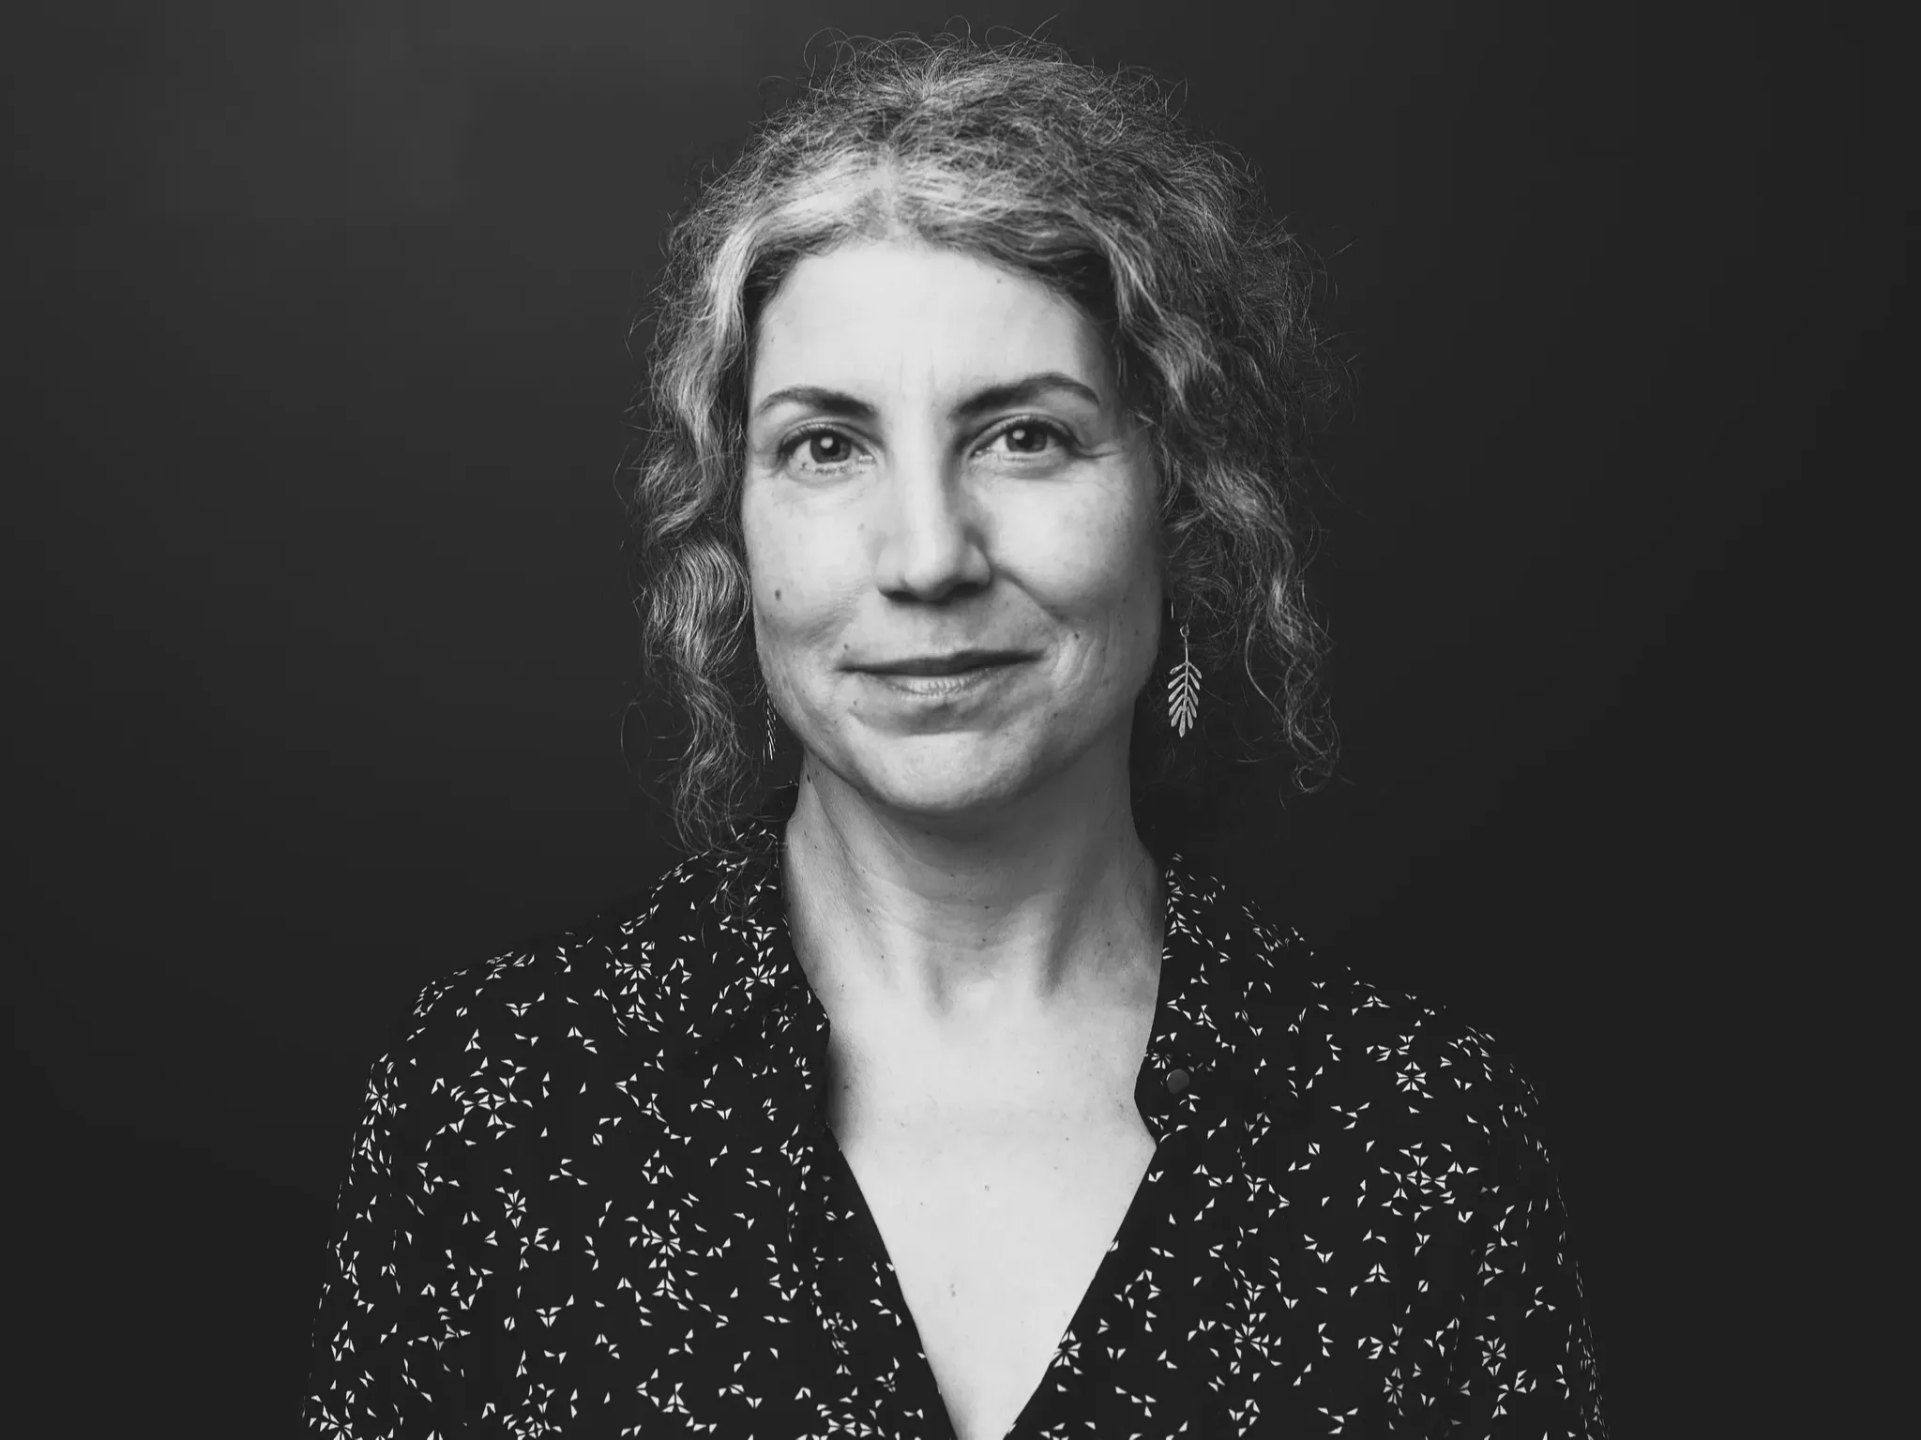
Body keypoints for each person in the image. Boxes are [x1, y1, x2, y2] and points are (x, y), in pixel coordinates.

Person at [304, 34, 1607, 1439]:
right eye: (827, 446)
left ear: (1183, 505)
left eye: (1023, 436)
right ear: (733, 530)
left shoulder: (1418, 1138)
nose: (927, 557)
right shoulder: (498, 1105)